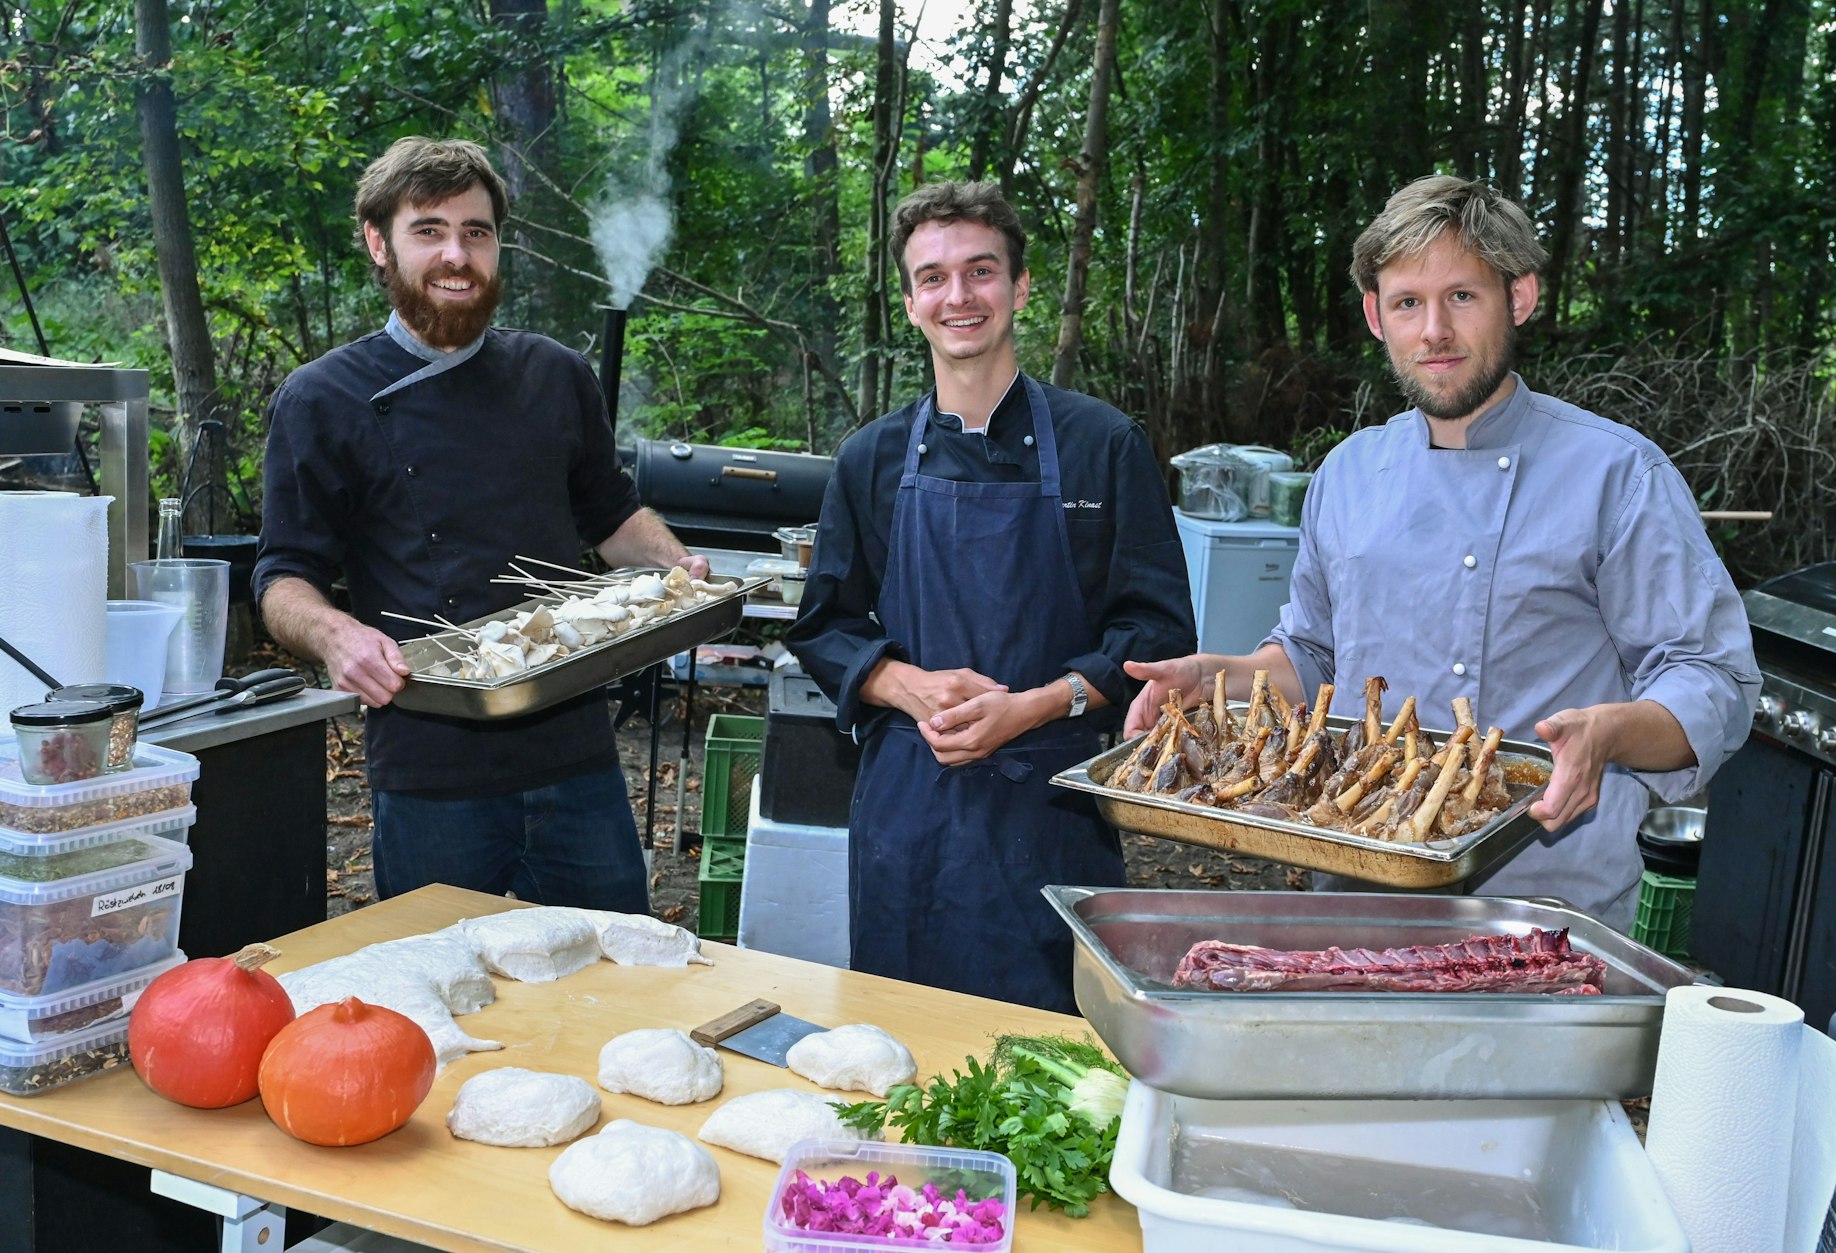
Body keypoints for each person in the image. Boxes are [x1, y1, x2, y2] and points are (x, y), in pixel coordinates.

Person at [1124, 175, 1759, 929]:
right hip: (1355, 893)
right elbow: (1313, 656)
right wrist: (1216, 677)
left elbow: (1712, 678)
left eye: (1462, 296)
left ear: (1519, 297)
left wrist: (1610, 733)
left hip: (1544, 910)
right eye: (1408, 303)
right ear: (1375, 316)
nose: (1435, 331)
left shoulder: (1617, 475)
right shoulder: (1348, 474)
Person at [253, 136, 705, 913]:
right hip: (431, 767)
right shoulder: (321, 398)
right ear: (378, 243)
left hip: (575, 757)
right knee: (446, 976)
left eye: (477, 232)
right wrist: (336, 636)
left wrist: (676, 572)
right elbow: (282, 575)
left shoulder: (554, 374)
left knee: (615, 970)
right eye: (428, 230)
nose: (456, 255)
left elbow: (612, 516)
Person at [787, 180, 1196, 1013]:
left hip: (1053, 806)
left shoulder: (1103, 446)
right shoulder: (870, 459)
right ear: (910, 303)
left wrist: (1039, 703)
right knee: (901, 1035)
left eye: (980, 271)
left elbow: (1155, 630)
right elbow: (825, 625)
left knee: (1050, 1051)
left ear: (1021, 286)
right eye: (933, 278)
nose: (959, 296)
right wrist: (909, 686)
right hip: (910, 810)